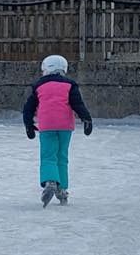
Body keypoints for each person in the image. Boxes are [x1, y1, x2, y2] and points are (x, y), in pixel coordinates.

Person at [23, 54, 93, 208]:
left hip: (47, 125)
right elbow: (78, 104)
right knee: (62, 157)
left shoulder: (39, 85)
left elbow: (28, 107)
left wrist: (28, 124)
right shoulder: (70, 85)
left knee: (48, 156)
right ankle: (62, 189)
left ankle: (50, 181)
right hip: (65, 126)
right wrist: (87, 119)